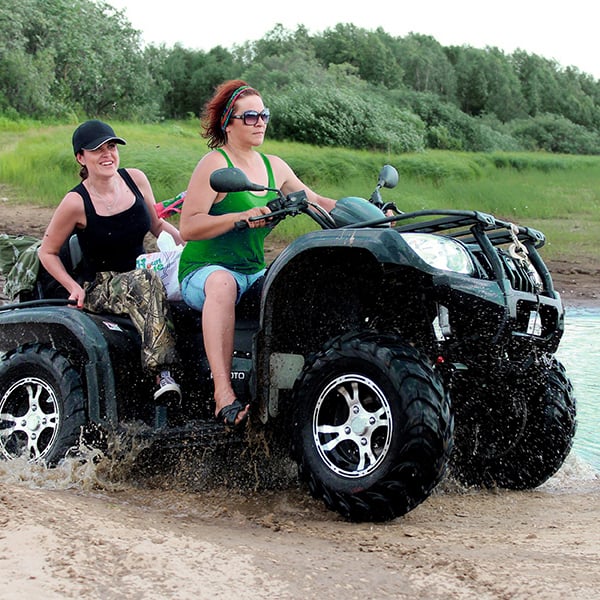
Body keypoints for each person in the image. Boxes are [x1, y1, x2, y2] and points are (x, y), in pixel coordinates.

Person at [178, 80, 336, 428]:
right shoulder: (213, 164)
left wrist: (369, 212)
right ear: (228, 123)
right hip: (205, 270)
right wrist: (238, 217)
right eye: (250, 116)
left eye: (263, 114)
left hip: (252, 270)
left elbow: (319, 202)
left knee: (301, 278)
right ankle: (223, 394)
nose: (260, 122)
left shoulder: (274, 167)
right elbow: (188, 227)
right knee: (221, 284)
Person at [38, 119, 184, 405]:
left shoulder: (136, 179)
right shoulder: (76, 202)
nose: (108, 154)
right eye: (97, 150)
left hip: (144, 270)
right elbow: (47, 252)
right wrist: (73, 287)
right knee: (144, 283)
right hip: (100, 284)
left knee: (187, 284)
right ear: (81, 157)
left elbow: (157, 226)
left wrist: (187, 245)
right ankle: (162, 373)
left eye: (112, 146)